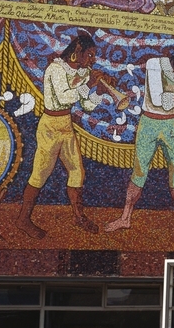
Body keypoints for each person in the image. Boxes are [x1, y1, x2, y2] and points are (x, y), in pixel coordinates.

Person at [105, 39, 174, 238]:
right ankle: (125, 217)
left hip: (169, 125)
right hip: (149, 123)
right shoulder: (156, 64)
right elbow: (156, 97)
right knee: (139, 171)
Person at [17, 32, 104, 238]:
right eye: (90, 55)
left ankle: (78, 216)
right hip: (50, 126)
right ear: (77, 52)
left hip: (66, 125)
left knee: (77, 171)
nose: (93, 60)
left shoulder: (83, 73)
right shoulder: (55, 69)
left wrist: (100, 91)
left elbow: (87, 105)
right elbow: (64, 98)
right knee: (40, 174)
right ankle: (23, 219)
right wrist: (88, 85)